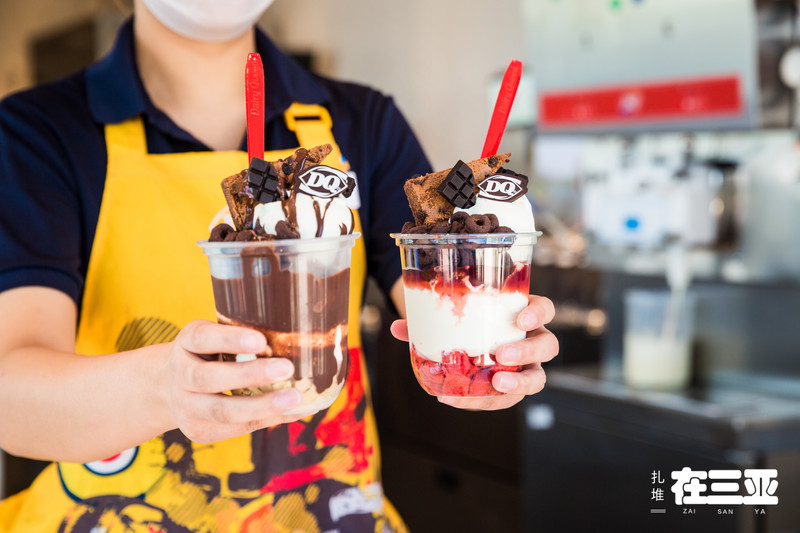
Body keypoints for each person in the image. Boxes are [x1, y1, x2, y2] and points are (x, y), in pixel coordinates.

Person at [0, 0, 558, 531]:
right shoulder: (37, 133)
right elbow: (11, 397)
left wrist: (488, 355)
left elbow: (440, 298)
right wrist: (166, 388)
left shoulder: (363, 121)